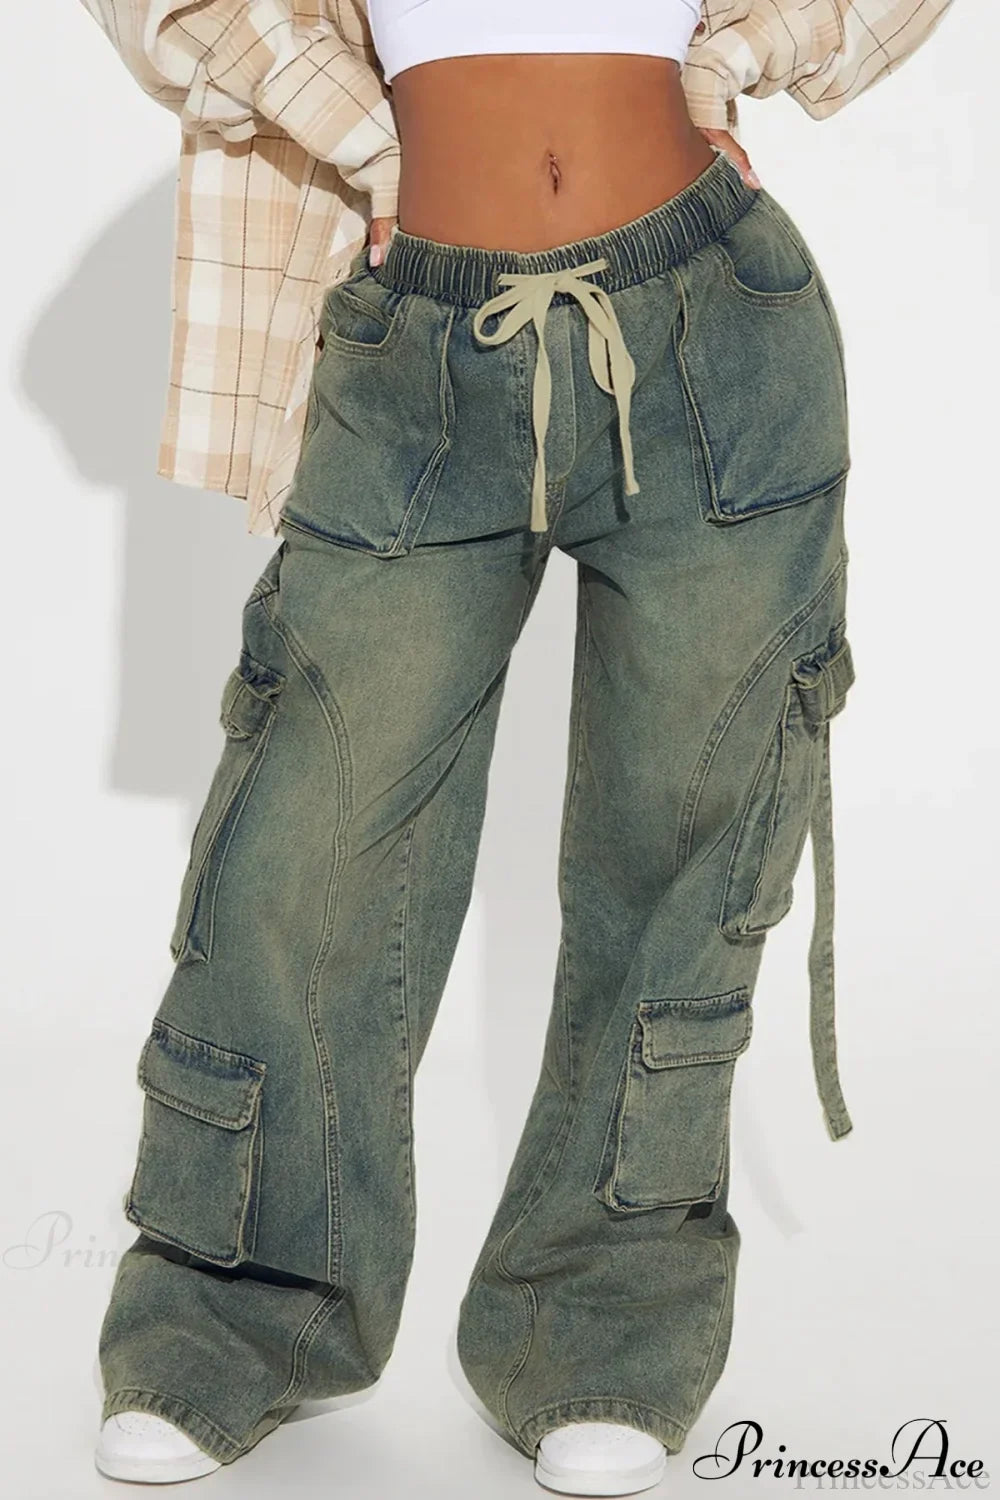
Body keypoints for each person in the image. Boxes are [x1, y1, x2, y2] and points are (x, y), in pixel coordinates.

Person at [80, 0, 954, 1492]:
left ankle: (601, 1330)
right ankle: (239, 1320)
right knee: (306, 848)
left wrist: (732, 61)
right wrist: (368, 143)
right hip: (414, 336)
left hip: (717, 335)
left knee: (682, 855)